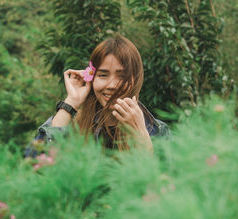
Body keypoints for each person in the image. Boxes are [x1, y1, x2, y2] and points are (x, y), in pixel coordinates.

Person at [25, 35, 170, 157]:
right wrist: (70, 103)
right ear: (92, 78)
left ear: (136, 79)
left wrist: (141, 137)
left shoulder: (159, 133)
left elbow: (169, 186)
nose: (112, 85)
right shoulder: (75, 130)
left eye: (122, 75)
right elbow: (34, 164)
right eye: (103, 75)